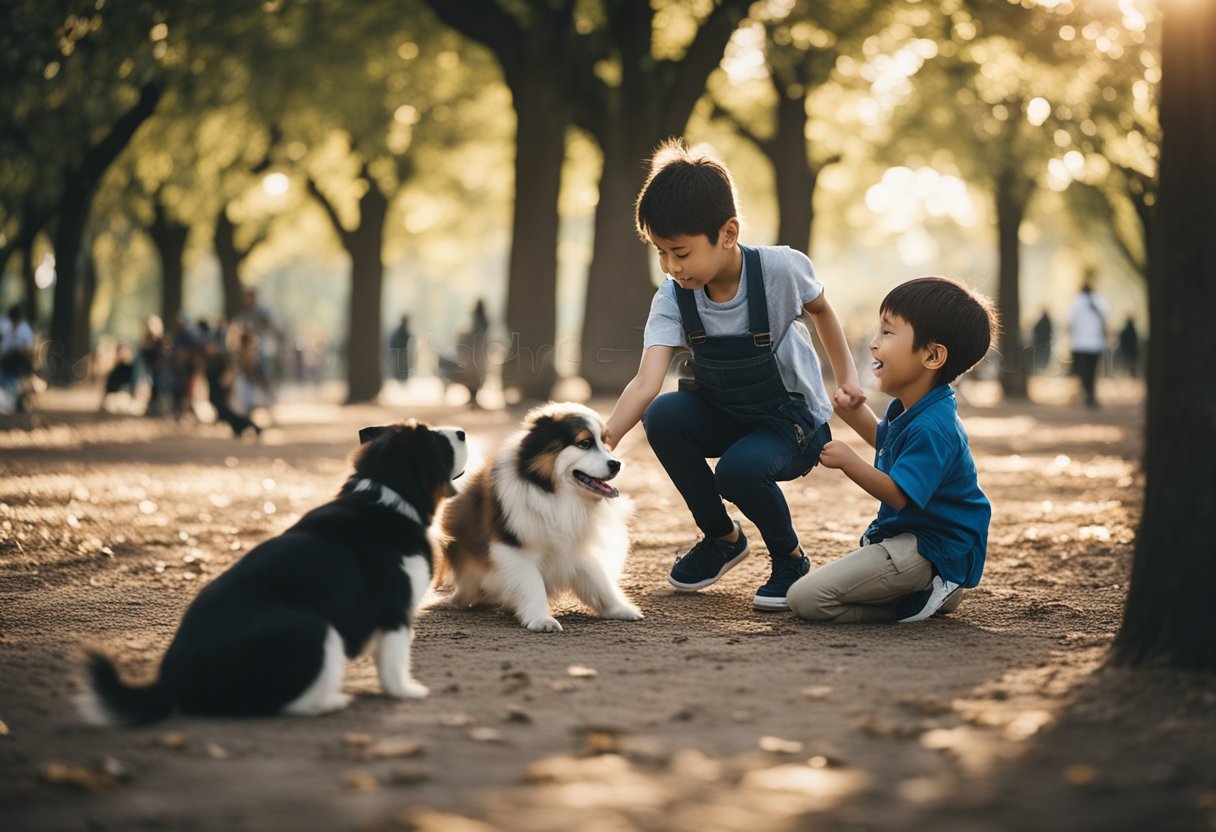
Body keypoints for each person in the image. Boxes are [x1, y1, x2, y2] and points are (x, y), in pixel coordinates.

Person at [602, 139, 864, 611]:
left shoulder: (780, 270)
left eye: (680, 252)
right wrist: (605, 439)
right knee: (663, 414)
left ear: (727, 233)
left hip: (792, 423)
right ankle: (722, 538)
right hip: (726, 412)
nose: (671, 266)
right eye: (660, 253)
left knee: (737, 472)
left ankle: (791, 559)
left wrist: (845, 379)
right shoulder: (674, 296)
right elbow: (645, 382)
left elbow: (822, 310)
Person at [786, 276, 998, 623]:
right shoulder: (916, 407)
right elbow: (886, 443)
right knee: (810, 595)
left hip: (929, 549)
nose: (873, 344)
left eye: (888, 332)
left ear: (932, 355)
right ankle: (933, 591)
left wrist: (849, 462)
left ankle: (922, 594)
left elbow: (900, 495)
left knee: (806, 599)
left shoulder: (934, 427)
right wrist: (851, 412)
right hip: (916, 544)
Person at [1068, 279, 1108, 408]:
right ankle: (1091, 394)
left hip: (1079, 344)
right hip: (1095, 344)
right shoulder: (1100, 302)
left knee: (1082, 371)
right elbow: (1105, 322)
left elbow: (1070, 323)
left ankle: (1088, 393)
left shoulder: (1076, 302)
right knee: (1092, 371)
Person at [0, 304, 36, 412]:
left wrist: (19, 350)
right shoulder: (7, 329)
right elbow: (4, 348)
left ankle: (17, 400)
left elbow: (30, 350)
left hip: (21, 362)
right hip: (9, 361)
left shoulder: (25, 329)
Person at [388, 314, 413, 382]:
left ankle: (400, 379)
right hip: (399, 352)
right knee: (400, 367)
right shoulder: (401, 331)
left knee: (399, 367)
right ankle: (400, 379)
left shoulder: (400, 330)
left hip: (399, 351)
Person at [1031, 309, 1053, 374]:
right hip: (1044, 343)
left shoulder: (1042, 321)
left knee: (1041, 356)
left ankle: (1041, 369)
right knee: (1042, 356)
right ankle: (1042, 369)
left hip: (1041, 343)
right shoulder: (1046, 321)